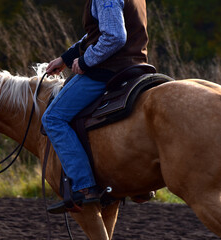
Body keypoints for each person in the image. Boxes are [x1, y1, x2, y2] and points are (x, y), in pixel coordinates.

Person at [41, 0, 149, 214]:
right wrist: (66, 58)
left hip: (109, 70)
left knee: (52, 118)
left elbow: (115, 36)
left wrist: (85, 61)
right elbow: (99, 32)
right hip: (138, 66)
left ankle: (85, 186)